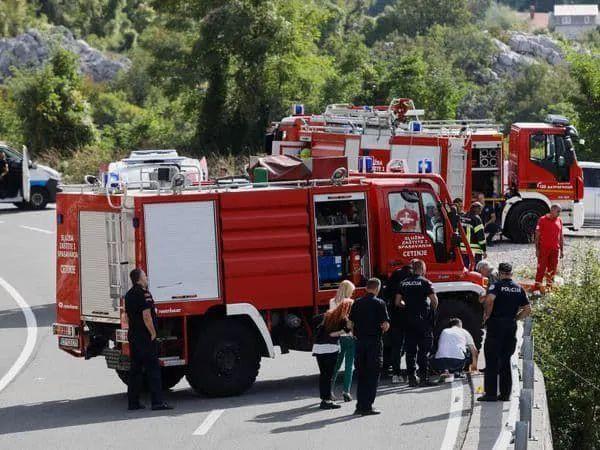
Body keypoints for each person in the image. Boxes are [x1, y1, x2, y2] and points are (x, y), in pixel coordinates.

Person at [478, 263, 531, 402]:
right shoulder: (519, 288)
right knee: (506, 360)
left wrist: (487, 315)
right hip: (510, 326)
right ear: (511, 273)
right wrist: (516, 318)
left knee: (491, 360)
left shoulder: (496, 286)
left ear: (500, 273)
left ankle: (490, 394)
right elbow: (527, 309)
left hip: (496, 325)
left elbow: (489, 300)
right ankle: (505, 394)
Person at [125, 268, 172, 411]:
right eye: (144, 275)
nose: (146, 277)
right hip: (145, 337)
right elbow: (147, 316)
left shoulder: (128, 295)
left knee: (135, 371)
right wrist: (153, 333)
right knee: (153, 369)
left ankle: (133, 403)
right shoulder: (144, 294)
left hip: (133, 335)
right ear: (139, 279)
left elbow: (127, 316)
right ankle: (157, 402)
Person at [349, 278, 390, 415]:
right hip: (374, 342)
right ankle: (368, 406)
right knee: (372, 374)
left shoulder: (357, 303)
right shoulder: (380, 303)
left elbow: (350, 324)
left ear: (366, 288)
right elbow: (385, 325)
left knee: (362, 374)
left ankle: (360, 405)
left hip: (360, 342)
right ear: (377, 288)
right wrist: (382, 329)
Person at [396, 259, 438, 387]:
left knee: (410, 350)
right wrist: (430, 312)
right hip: (422, 320)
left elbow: (397, 302)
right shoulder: (425, 282)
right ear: (422, 269)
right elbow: (434, 301)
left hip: (408, 320)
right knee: (423, 350)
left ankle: (411, 378)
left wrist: (407, 307)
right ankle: (424, 378)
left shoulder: (403, 283)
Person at [312, 299, 353, 409]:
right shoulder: (343, 319)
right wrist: (341, 332)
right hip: (331, 348)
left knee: (323, 374)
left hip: (318, 347)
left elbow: (314, 320)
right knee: (328, 375)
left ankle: (324, 399)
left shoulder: (327, 314)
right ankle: (327, 400)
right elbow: (345, 331)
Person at [383, 265, 413, 384]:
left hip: (394, 318)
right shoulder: (408, 283)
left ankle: (396, 373)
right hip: (407, 318)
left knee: (396, 346)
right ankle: (412, 374)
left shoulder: (392, 283)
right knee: (411, 346)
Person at [329, 280, 356, 402]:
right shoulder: (351, 303)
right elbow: (351, 322)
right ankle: (346, 391)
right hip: (349, 336)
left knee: (335, 365)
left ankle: (329, 391)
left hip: (337, 337)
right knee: (349, 365)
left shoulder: (332, 302)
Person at [534, 204, 564, 293]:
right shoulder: (542, 220)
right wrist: (537, 249)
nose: (559, 214)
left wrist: (562, 250)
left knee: (552, 270)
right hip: (544, 249)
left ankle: (549, 288)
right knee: (541, 269)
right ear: (552, 210)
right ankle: (536, 289)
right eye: (558, 211)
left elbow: (561, 236)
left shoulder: (559, 220)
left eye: (560, 212)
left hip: (555, 250)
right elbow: (537, 236)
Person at [460, 202, 487, 266]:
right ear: (475, 209)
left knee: (465, 268)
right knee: (475, 269)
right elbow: (481, 236)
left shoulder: (462, 217)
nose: (480, 212)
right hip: (474, 250)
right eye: (480, 209)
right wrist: (484, 250)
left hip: (462, 249)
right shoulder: (476, 218)